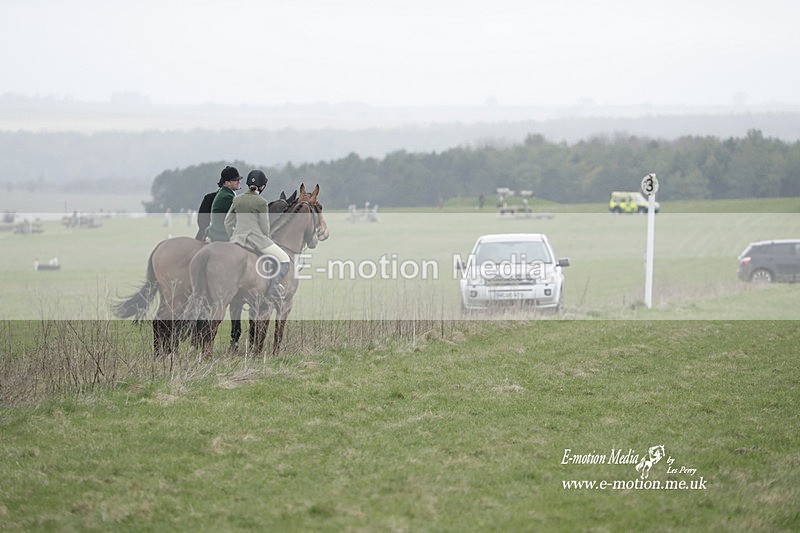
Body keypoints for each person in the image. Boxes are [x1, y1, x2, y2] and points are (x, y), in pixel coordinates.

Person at [225, 169, 291, 303]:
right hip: (256, 239)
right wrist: (265, 237)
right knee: (285, 259)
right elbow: (265, 228)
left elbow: (227, 222)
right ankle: (273, 290)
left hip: (237, 239)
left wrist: (234, 236)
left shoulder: (237, 199)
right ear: (262, 186)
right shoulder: (261, 202)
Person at [206, 166, 243, 242]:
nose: (239, 181)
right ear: (227, 183)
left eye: (239, 179)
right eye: (235, 180)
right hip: (222, 234)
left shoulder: (225, 193)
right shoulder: (227, 197)